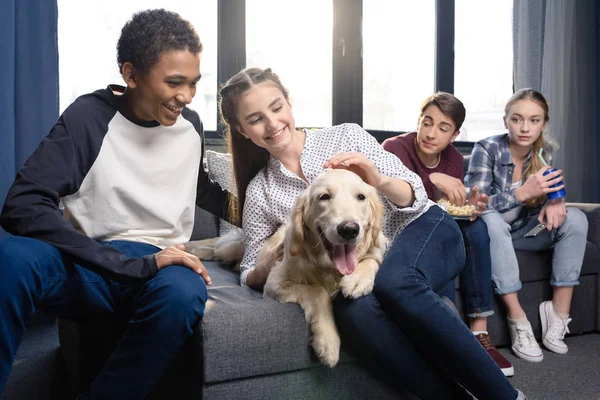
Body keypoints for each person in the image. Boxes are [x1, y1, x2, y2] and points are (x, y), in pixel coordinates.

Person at [218, 67, 525, 400]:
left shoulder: (345, 136)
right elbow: (248, 270)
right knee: (353, 312)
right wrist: (265, 264)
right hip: (363, 267)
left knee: (396, 281)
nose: (272, 123)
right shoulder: (261, 191)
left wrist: (376, 180)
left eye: (276, 108)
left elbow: (415, 197)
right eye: (255, 119)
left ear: (289, 104)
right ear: (242, 130)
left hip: (423, 228)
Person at [0, 9, 230, 399]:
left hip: (158, 263)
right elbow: (22, 204)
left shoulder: (189, 125)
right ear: (131, 74)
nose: (187, 96)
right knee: (12, 259)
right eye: (174, 82)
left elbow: (201, 190)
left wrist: (273, 209)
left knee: (184, 292)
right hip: (88, 263)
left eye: (193, 83)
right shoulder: (89, 118)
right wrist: (124, 264)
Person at [382, 92, 514, 377]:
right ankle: (444, 330)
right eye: (426, 123)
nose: (431, 133)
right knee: (438, 238)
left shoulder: (453, 157)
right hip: (401, 229)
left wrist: (468, 206)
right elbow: (396, 203)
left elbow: (447, 208)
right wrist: (433, 178)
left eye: (442, 128)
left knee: (476, 226)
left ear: (454, 135)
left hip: (438, 226)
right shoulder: (393, 147)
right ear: (418, 121)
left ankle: (479, 332)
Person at [464, 88, 588, 363]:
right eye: (517, 119)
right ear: (505, 120)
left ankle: (558, 314)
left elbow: (550, 193)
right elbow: (474, 209)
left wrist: (556, 200)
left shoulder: (545, 151)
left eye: (534, 120)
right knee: (492, 221)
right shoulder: (486, 148)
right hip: (492, 234)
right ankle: (517, 319)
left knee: (577, 218)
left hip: (523, 231)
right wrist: (521, 192)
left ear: (544, 123)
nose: (524, 128)